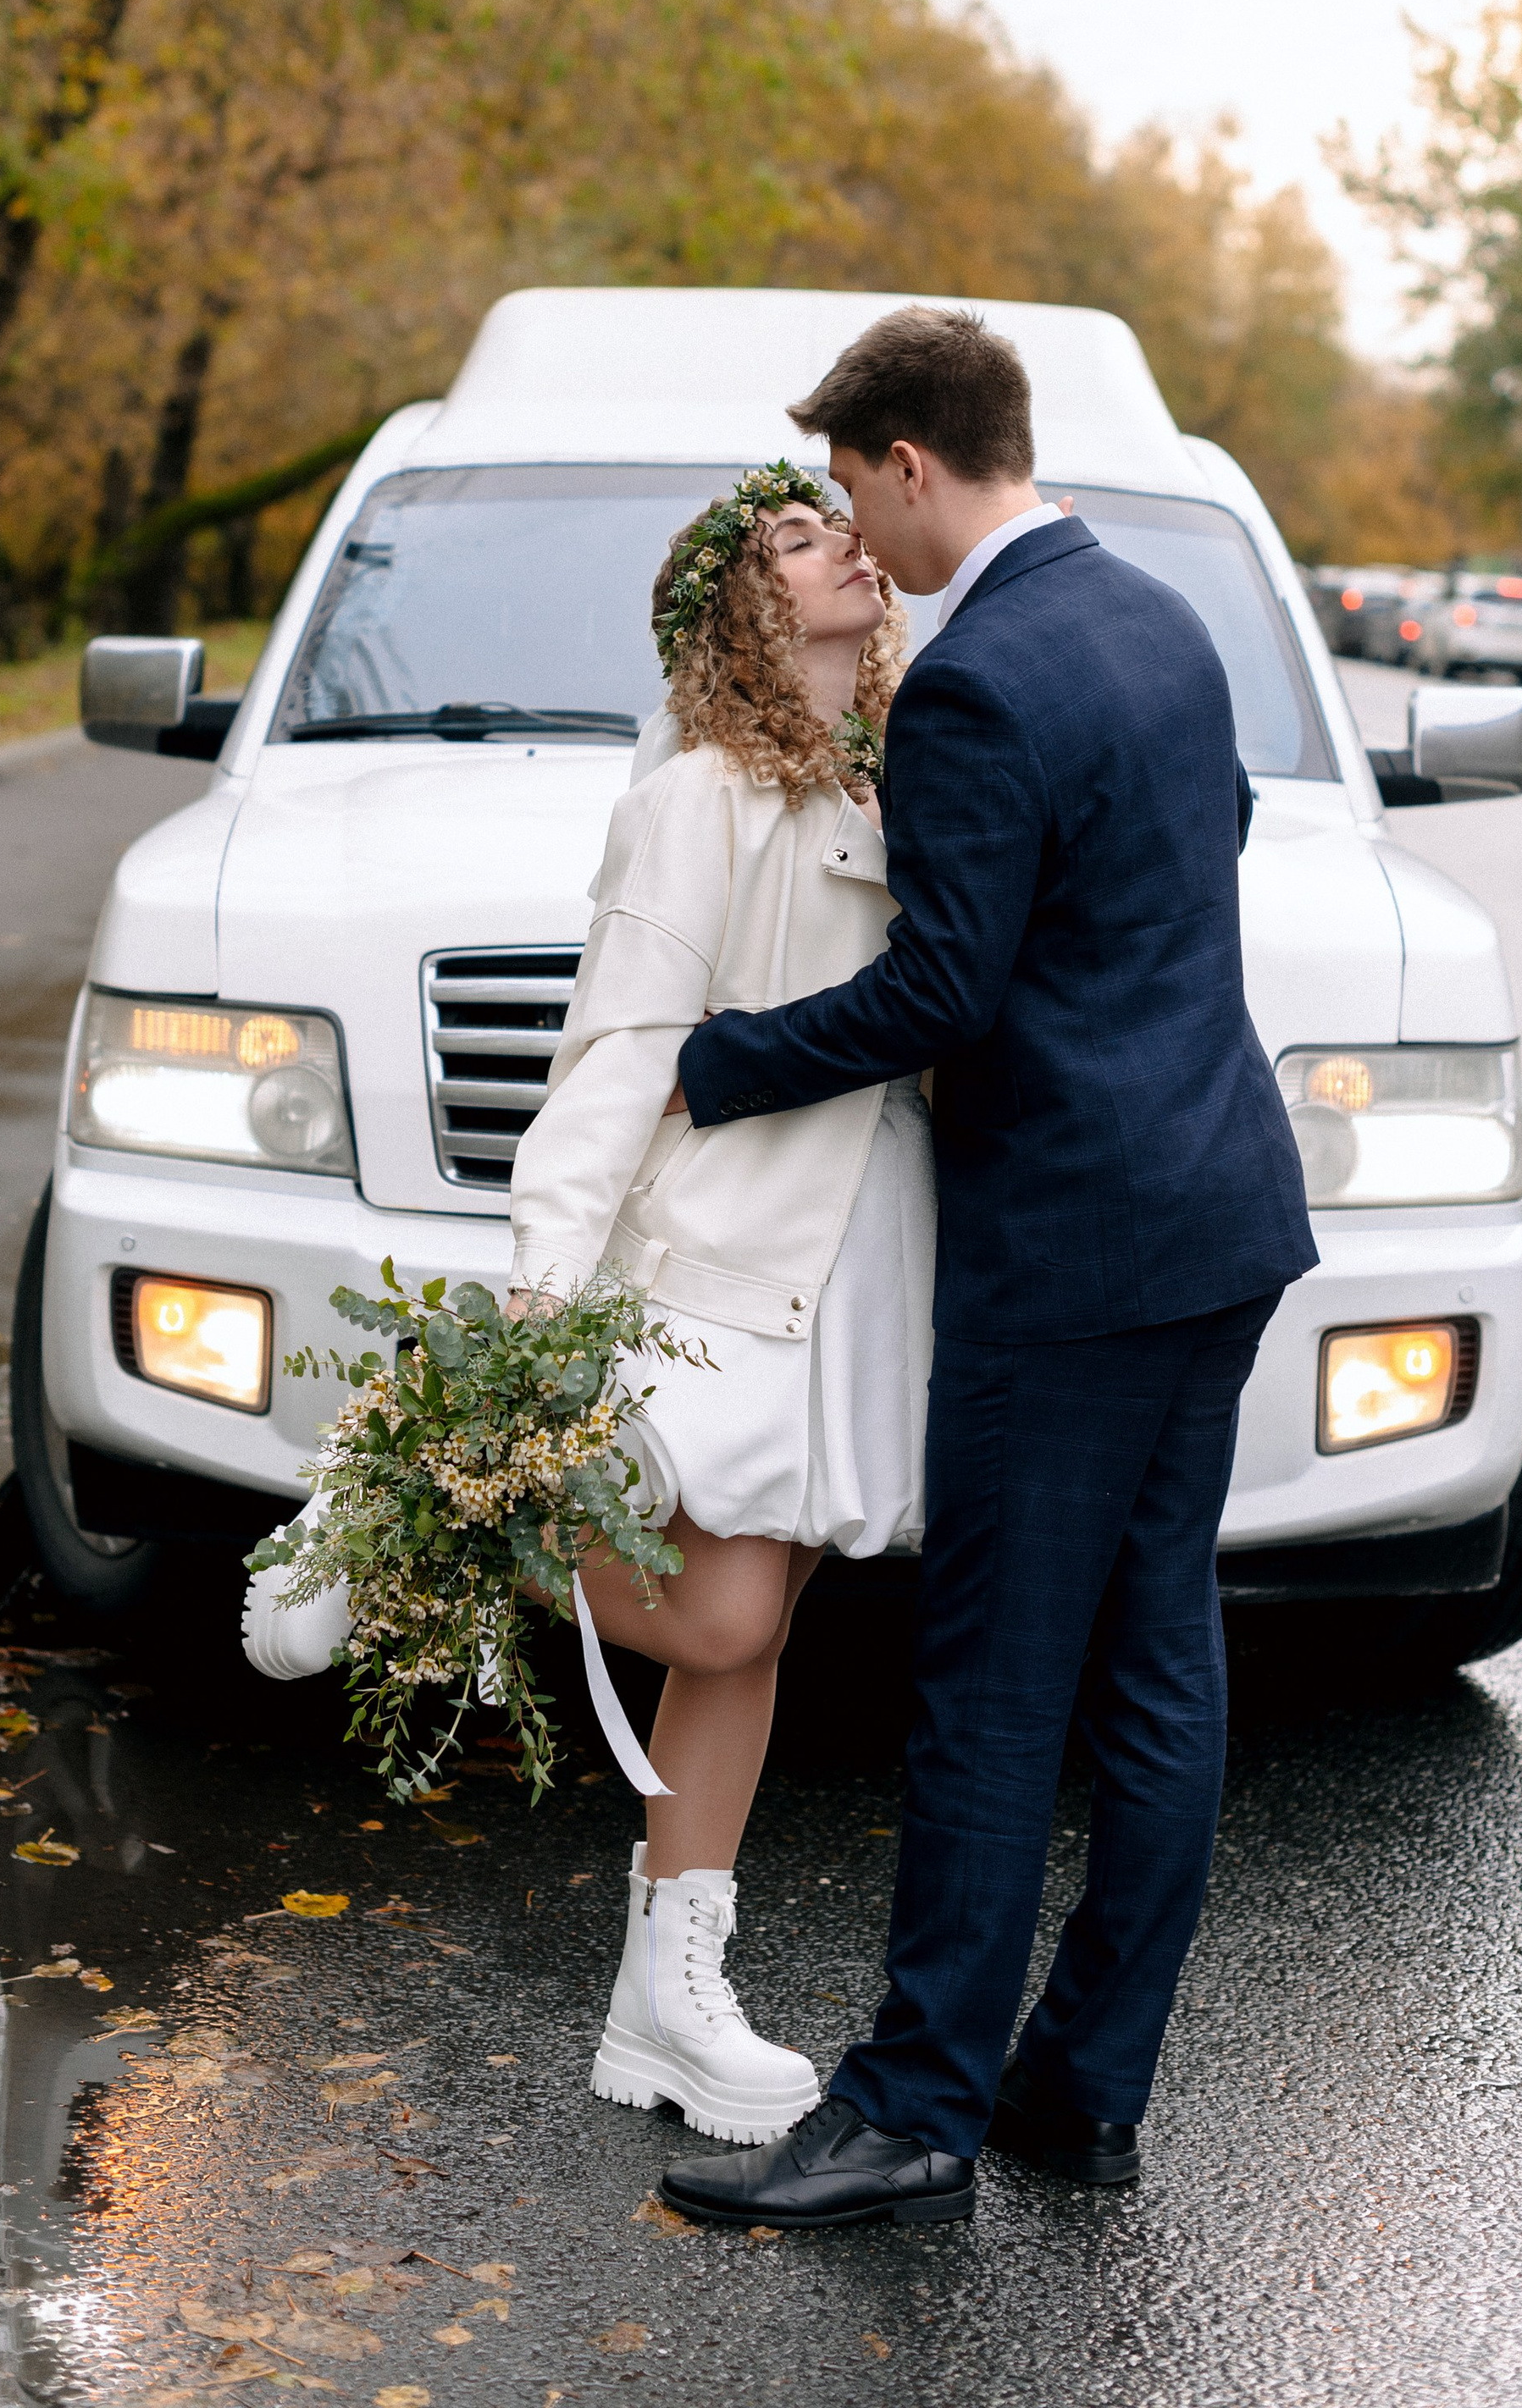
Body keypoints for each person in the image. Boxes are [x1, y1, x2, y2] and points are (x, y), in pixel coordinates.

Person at [653, 307, 1318, 2234]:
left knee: (988, 1686)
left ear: (910, 463)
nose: (860, 527)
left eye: (858, 486)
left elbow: (943, 986)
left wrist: (723, 1060)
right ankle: (1078, 2086)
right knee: (1157, 1669)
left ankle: (913, 2111)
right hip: (1215, 1218)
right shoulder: (1155, 618)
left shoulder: (974, 681)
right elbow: (1181, 864)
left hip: (1075, 1247)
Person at [501, 464, 937, 2148]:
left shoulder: (894, 770)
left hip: (853, 1274)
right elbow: (618, 1041)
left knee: (757, 1627)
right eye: (793, 538)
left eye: (844, 527)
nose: (841, 548)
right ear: (735, 610)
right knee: (729, 1616)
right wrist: (543, 1278)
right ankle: (456, 1530)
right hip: (712, 1270)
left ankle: (664, 1995)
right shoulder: (699, 795)